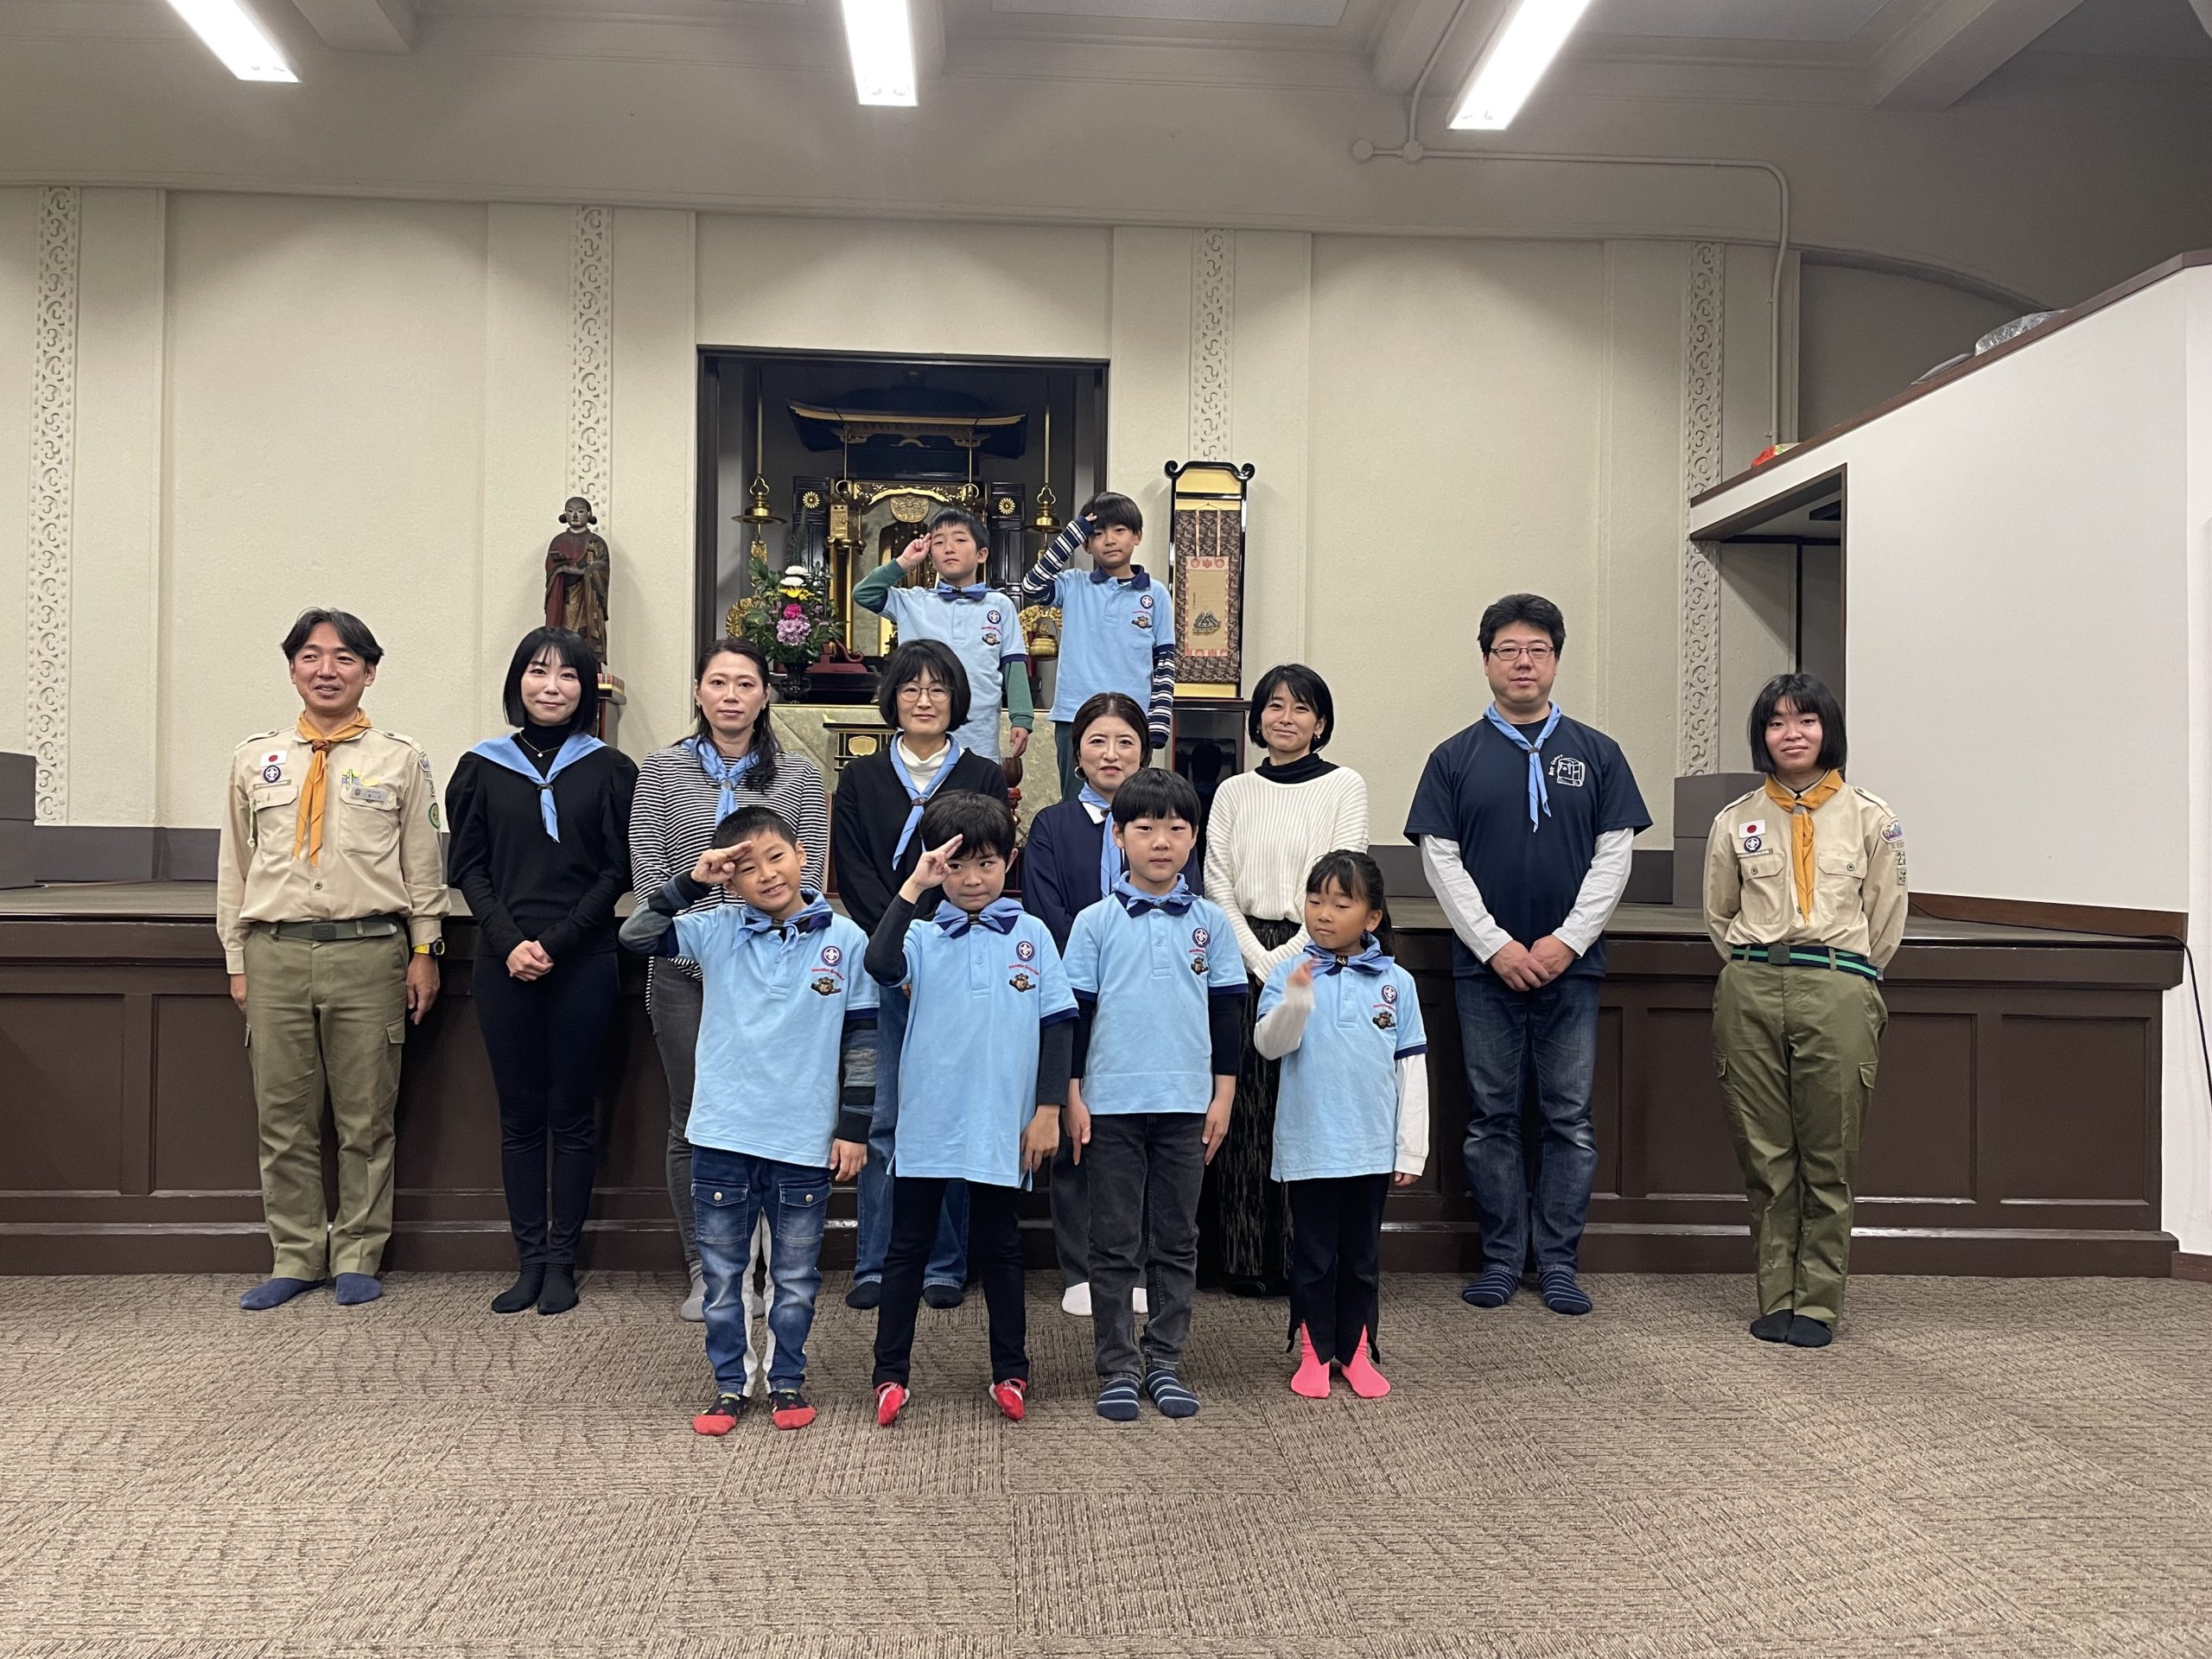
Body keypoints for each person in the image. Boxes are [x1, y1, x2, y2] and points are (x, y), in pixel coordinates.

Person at [1406, 593, 1650, 1318]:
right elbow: (1441, 862)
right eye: (1508, 650)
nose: (1523, 662)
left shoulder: (1598, 753)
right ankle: (1501, 1259)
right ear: (1486, 662)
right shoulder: (1453, 758)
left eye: (1537, 650)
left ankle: (1559, 1264)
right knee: (1491, 1118)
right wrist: (1497, 946)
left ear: (1556, 661)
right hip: (1484, 973)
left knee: (1569, 1119)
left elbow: (1614, 858)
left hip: (1573, 971)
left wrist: (1567, 940)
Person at [216, 607, 449, 1312]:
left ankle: (357, 1254)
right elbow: (234, 866)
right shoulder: (254, 758)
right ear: (293, 669)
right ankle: (294, 1255)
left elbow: (422, 866)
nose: (327, 670)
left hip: (369, 953)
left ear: (368, 672)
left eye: (345, 658)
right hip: (276, 953)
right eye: (312, 657)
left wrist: (425, 950)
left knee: (366, 1117)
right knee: (282, 1119)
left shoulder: (400, 759)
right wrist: (236, 959)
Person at [620, 804, 876, 1433]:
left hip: (802, 1138)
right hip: (722, 1135)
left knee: (795, 1276)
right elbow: (636, 936)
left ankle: (786, 1380)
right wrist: (691, 882)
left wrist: (854, 1128)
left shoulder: (847, 940)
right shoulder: (715, 927)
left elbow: (864, 1041)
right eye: (746, 867)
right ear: (729, 880)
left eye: (776, 856)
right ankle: (730, 1385)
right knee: (723, 1276)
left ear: (803, 856)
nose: (767, 874)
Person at [1704, 673, 1904, 1350]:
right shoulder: (1734, 821)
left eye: (1806, 720)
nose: (1792, 733)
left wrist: (1845, 974)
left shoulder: (1872, 817)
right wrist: (1757, 964)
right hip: (1752, 986)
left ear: (1828, 730)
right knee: (1764, 1153)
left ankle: (1816, 1302)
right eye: (1777, 722)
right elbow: (1719, 914)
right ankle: (1776, 1297)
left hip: (1837, 985)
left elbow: (1886, 919)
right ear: (1762, 736)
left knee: (1829, 1152)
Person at [632, 638, 829, 1324]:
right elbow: (649, 877)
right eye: (718, 682)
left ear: (764, 694)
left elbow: (809, 874)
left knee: (773, 1110)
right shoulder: (660, 771)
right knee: (693, 1117)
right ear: (698, 692)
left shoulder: (798, 776)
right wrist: (708, 952)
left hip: (775, 972)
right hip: (685, 973)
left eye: (746, 683)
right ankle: (707, 1265)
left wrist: (754, 955)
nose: (731, 696)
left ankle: (769, 1264)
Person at [864, 792, 1076, 1427]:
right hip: (929, 1120)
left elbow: (1059, 1024)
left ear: (1009, 862)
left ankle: (1011, 1371)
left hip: (1001, 1122)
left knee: (1001, 1247)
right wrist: (914, 887)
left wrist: (1047, 1109)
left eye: (986, 863)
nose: (973, 878)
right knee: (907, 1248)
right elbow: (878, 962)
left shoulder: (1032, 935)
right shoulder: (922, 935)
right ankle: (889, 1374)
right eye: (956, 866)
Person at [445, 627, 636, 1317]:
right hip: (504, 961)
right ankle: (527, 1261)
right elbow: (468, 867)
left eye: (567, 675)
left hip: (583, 959)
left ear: (587, 690)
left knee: (573, 1115)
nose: (551, 686)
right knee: (520, 1117)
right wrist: (510, 942)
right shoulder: (481, 767)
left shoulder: (611, 771)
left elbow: (617, 871)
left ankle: (562, 1263)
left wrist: (555, 943)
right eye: (537, 671)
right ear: (517, 681)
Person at [1061, 767, 1247, 1421]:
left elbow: (1227, 1014)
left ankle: (1164, 1360)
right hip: (1109, 1105)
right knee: (1113, 1242)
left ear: (1194, 839)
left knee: (1176, 1239)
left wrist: (1224, 1095)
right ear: (1118, 837)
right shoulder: (1094, 922)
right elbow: (1076, 1015)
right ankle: (1117, 1365)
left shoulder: (1212, 924)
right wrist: (1072, 1093)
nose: (1160, 841)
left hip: (1187, 1104)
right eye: (1144, 828)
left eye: (1175, 828)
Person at [832, 639, 1011, 1313]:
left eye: (938, 688)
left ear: (957, 700)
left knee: (951, 1113)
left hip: (959, 961)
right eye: (911, 688)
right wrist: (902, 944)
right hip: (887, 964)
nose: (925, 700)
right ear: (893, 699)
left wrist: (935, 947)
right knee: (885, 1116)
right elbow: (853, 869)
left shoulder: (982, 774)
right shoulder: (862, 777)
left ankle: (944, 1263)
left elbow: (981, 871)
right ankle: (875, 1262)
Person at [1018, 690, 1191, 1316]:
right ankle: (1080, 1268)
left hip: (1151, 998)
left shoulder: (1169, 823)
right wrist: (1096, 965)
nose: (1111, 754)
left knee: (1138, 1133)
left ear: (1145, 751)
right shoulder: (1052, 825)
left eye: (1125, 742)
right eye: (1098, 741)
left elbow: (1185, 900)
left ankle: (1136, 1265)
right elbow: (1045, 910)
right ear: (1077, 752)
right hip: (1072, 995)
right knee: (1077, 1125)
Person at [1203, 664, 1370, 1298]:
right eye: (1274, 705)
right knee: (1244, 1106)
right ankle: (1244, 1257)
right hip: (1239, 948)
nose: (1286, 718)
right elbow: (1216, 878)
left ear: (1320, 723)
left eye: (1301, 708)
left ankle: (1305, 1260)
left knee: (1303, 1103)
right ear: (1258, 718)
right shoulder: (1234, 791)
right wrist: (1254, 955)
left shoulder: (1344, 785)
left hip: (1321, 945)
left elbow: (1344, 878)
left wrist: (1292, 955)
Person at [1254, 852, 1427, 1401]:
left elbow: (1411, 1070)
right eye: (1315, 900)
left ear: (1372, 917)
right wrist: (1296, 1001)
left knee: (1361, 1258)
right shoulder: (1288, 971)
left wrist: (1411, 1150)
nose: (1323, 914)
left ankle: (1355, 1351)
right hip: (1311, 1145)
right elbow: (1270, 1046)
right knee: (1312, 1257)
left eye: (1340, 904)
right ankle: (1313, 1351)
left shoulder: (1397, 982)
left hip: (1372, 1149)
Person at [1018, 492, 1175, 800]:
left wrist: (1158, 723)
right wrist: (1073, 533)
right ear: (1086, 544)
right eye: (1098, 534)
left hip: (1133, 718)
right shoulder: (1073, 584)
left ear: (1137, 536)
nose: (1109, 540)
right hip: (1074, 715)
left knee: (1131, 806)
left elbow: (1165, 662)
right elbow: (1032, 586)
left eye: (1120, 530)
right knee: (1076, 804)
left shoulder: (1156, 594)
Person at [852, 507, 1033, 765]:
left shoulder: (999, 604)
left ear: (981, 554)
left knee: (977, 786)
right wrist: (903, 563)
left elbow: (1013, 663)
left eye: (960, 540)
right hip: (920, 728)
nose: (949, 548)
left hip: (980, 731)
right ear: (930, 555)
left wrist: (1021, 718)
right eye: (938, 543)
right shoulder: (912, 601)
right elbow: (864, 594)